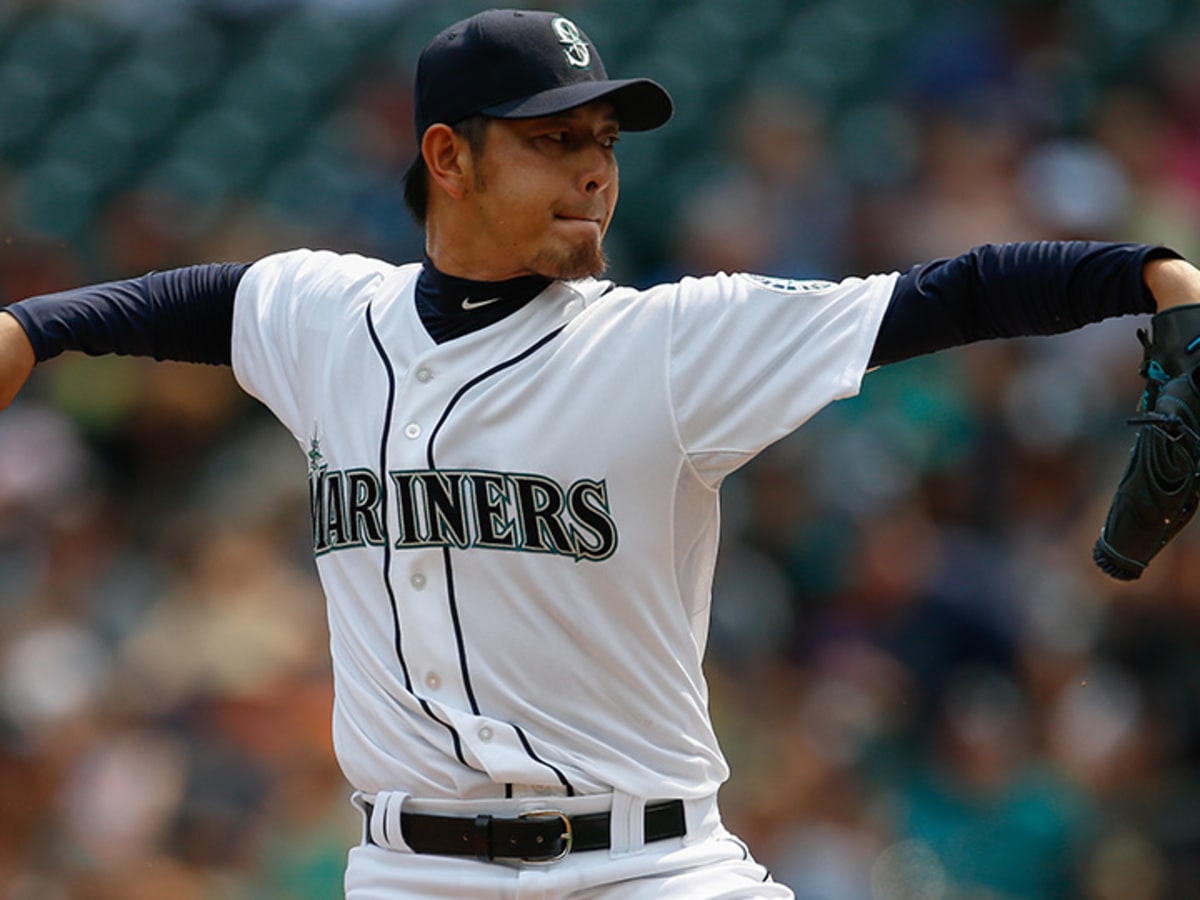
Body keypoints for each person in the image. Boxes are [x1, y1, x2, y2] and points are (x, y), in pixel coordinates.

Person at [1, 8, 1200, 898]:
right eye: (554, 138)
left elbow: (952, 293)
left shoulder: (669, 345)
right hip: (408, 873)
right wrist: (29, 331)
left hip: (651, 865)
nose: (595, 168)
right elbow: (191, 304)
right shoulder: (323, 315)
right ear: (448, 158)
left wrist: (1156, 277)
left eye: (605, 142)